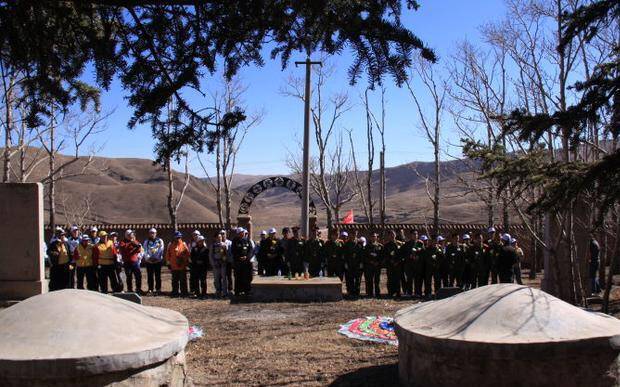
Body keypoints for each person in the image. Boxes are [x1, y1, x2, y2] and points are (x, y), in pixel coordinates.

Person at [166, 231, 190, 297]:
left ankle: (184, 293)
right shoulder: (170, 245)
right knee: (174, 280)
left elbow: (187, 254)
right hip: (174, 266)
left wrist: (183, 259)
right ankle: (175, 292)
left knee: (183, 280)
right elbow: (168, 255)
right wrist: (168, 263)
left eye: (179, 237)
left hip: (182, 266)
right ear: (174, 238)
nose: (178, 239)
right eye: (177, 237)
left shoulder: (184, 244)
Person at [118, 229, 143, 294]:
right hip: (127, 262)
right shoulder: (122, 242)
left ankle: (138, 288)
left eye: (131, 235)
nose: (130, 236)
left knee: (138, 275)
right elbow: (124, 249)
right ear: (126, 235)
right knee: (129, 276)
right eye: (129, 235)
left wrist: (134, 244)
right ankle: (129, 289)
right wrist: (132, 244)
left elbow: (139, 249)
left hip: (135, 261)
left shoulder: (134, 241)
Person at [231, 228, 253, 296]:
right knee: (238, 277)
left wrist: (247, 257)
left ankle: (246, 291)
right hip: (238, 262)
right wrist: (239, 257)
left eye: (243, 232)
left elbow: (250, 249)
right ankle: (237, 291)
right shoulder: (235, 241)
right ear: (238, 233)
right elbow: (233, 251)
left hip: (246, 262)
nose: (242, 233)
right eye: (241, 232)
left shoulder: (247, 240)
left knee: (246, 276)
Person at [143, 228, 165, 295]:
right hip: (149, 262)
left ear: (156, 233)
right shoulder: (146, 241)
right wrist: (149, 258)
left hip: (157, 261)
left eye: (153, 233)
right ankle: (150, 289)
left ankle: (158, 289)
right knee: (150, 276)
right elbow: (145, 250)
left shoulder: (160, 241)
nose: (152, 234)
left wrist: (156, 258)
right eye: (151, 233)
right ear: (149, 234)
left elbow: (161, 249)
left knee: (157, 276)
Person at [401, 230, 422, 297]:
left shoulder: (420, 243)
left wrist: (418, 256)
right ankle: (409, 293)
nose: (415, 235)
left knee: (417, 279)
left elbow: (423, 252)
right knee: (409, 279)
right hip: (409, 264)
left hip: (417, 264)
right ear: (411, 235)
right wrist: (409, 256)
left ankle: (417, 293)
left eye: (416, 234)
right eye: (414, 234)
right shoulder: (407, 244)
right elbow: (403, 253)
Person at [363, 232, 383, 298]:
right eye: (372, 236)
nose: (373, 237)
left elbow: (382, 256)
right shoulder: (367, 246)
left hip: (377, 266)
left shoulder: (380, 246)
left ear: (376, 237)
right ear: (370, 237)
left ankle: (377, 293)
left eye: (374, 236)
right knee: (370, 280)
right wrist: (371, 262)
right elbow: (365, 257)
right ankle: (370, 293)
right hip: (369, 266)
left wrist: (378, 262)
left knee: (377, 280)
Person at [210, 232, 231, 297]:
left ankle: (225, 292)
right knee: (216, 279)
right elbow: (210, 256)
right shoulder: (212, 246)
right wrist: (213, 263)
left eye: (221, 237)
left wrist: (225, 261)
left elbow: (227, 254)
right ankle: (218, 291)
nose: (220, 238)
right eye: (218, 237)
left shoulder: (225, 245)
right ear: (215, 238)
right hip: (216, 264)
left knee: (224, 278)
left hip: (223, 264)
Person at [384, 230, 403, 298]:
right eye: (391, 234)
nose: (392, 236)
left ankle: (398, 292)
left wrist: (397, 261)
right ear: (388, 236)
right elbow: (385, 255)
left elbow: (402, 254)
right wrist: (391, 261)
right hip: (390, 265)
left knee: (397, 279)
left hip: (398, 264)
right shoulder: (386, 245)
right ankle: (391, 292)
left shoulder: (400, 244)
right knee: (390, 278)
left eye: (393, 234)